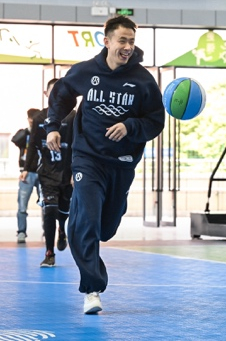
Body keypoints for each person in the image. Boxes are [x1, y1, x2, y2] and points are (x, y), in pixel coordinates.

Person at [44, 16, 165, 314]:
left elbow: (156, 121)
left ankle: (84, 222)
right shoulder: (86, 71)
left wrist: (130, 127)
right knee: (86, 220)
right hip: (87, 158)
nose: (127, 46)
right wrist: (53, 127)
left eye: (131, 41)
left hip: (121, 164)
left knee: (105, 227)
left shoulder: (143, 81)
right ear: (107, 41)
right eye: (122, 40)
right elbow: (61, 95)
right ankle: (92, 289)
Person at [23, 78, 75, 268]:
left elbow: (78, 146)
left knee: (63, 211)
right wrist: (26, 169)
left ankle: (62, 229)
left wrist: (76, 172)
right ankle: (49, 253)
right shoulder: (39, 118)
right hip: (46, 174)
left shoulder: (73, 117)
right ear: (46, 94)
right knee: (50, 210)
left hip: (67, 174)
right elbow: (32, 145)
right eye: (53, 92)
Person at [12, 108, 41, 244]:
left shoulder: (42, 132)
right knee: (22, 205)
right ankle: (21, 231)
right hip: (27, 173)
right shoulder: (25, 133)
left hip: (41, 172)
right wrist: (29, 130)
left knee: (46, 204)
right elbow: (15, 139)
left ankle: (47, 230)